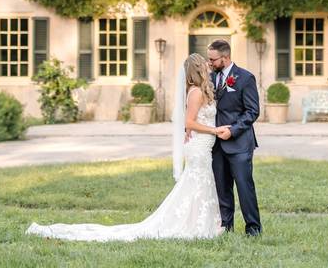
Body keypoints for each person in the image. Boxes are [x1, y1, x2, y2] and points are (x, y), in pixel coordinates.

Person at [25, 52, 228, 241]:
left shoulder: (201, 91)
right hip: (199, 147)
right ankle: (196, 225)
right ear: (198, 69)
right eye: (204, 64)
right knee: (197, 182)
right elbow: (189, 123)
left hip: (202, 146)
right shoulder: (195, 93)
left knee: (200, 183)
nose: (208, 67)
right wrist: (215, 130)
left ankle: (201, 222)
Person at [207, 38, 262, 236]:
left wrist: (233, 130)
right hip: (216, 144)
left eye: (213, 60)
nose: (210, 63)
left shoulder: (245, 78)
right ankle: (226, 228)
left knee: (244, 187)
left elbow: (252, 111)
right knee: (222, 188)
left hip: (239, 143)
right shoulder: (210, 78)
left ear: (226, 57)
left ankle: (253, 229)